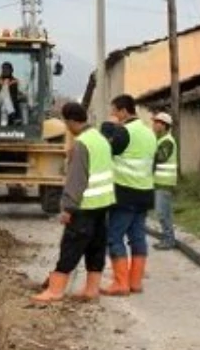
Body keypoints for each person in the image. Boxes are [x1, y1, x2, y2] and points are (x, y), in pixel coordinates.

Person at [31, 101, 122, 304]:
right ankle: (91, 290)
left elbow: (76, 180)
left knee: (70, 247)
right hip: (103, 204)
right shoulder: (100, 139)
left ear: (71, 121)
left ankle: (55, 291)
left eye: (66, 122)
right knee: (95, 248)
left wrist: (67, 208)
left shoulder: (82, 144)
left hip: (84, 207)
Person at [102, 94, 157, 296]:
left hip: (125, 193)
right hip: (145, 193)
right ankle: (135, 282)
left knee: (114, 236)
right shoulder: (149, 133)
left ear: (124, 111)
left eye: (114, 111)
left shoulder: (124, 132)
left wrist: (108, 129)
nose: (112, 115)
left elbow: (107, 151)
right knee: (137, 237)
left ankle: (120, 283)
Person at [151, 111, 178, 251]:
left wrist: (150, 153)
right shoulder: (159, 140)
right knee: (162, 212)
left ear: (164, 125)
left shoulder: (167, 141)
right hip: (159, 182)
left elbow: (160, 157)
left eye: (156, 122)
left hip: (165, 183)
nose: (153, 125)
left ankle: (169, 240)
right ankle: (167, 238)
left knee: (163, 212)